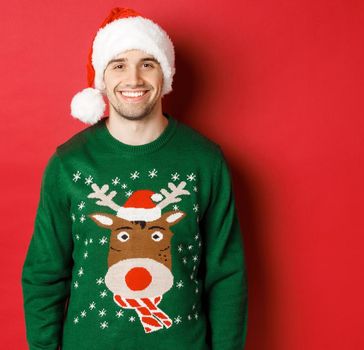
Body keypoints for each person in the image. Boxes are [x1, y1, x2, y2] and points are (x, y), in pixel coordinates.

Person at [21, 7, 248, 350]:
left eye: (147, 63)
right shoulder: (69, 165)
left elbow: (227, 275)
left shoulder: (204, 161)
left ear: (165, 73)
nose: (133, 79)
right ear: (102, 78)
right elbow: (43, 275)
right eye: (119, 65)